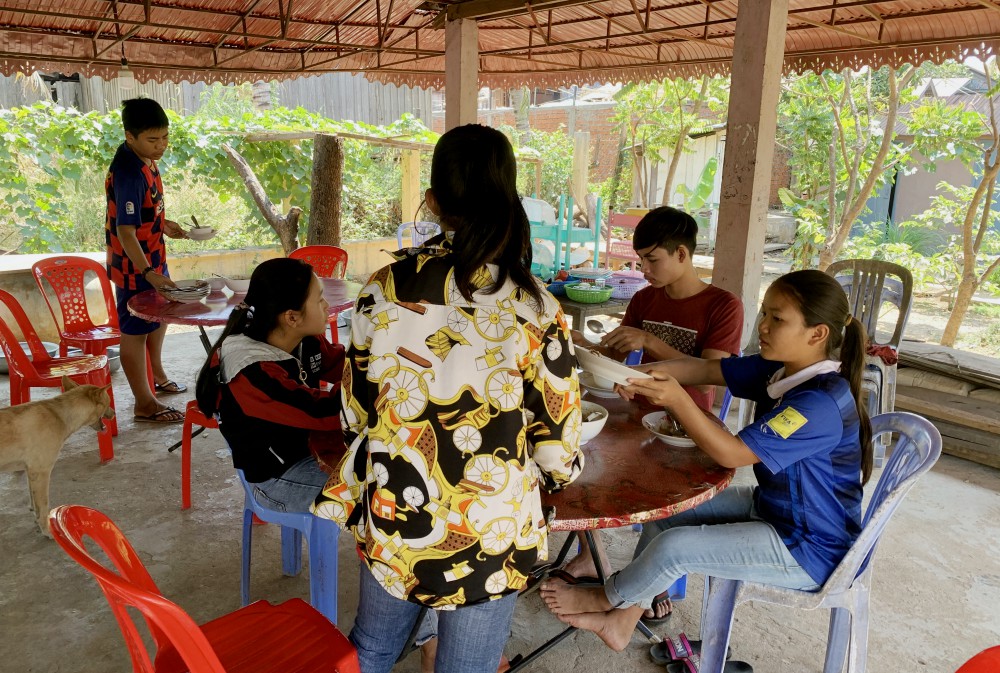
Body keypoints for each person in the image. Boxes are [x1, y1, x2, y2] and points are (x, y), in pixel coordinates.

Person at [313, 124, 585, 673]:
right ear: (509, 198)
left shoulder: (383, 288)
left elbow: (355, 413)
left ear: (434, 201)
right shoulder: (534, 308)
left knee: (372, 649)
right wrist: (555, 477)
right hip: (490, 529)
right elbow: (556, 448)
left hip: (395, 510)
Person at [541, 269, 873, 655]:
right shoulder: (778, 368)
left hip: (810, 545)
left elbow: (732, 453)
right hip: (776, 510)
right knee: (663, 512)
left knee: (676, 547)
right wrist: (632, 374)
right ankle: (624, 618)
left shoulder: (818, 403)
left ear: (817, 334)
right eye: (764, 313)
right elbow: (703, 369)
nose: (762, 326)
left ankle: (607, 599)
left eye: (777, 319)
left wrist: (677, 400)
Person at [567, 206, 743, 616]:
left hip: (684, 425)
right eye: (640, 259)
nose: (643, 268)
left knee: (666, 493)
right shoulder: (645, 298)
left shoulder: (722, 305)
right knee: (578, 456)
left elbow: (709, 378)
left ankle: (648, 582)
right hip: (632, 411)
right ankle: (591, 555)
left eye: (652, 259)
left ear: (681, 254)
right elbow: (616, 355)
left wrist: (652, 340)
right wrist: (584, 345)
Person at [195, 257, 345, 512]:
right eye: (319, 299)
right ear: (292, 317)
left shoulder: (305, 340)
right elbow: (324, 412)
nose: (327, 305)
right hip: (278, 480)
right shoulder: (251, 373)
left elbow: (343, 365)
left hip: (308, 449)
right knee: (380, 487)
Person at [105, 97, 188, 424]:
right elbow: (125, 230)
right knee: (134, 330)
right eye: (153, 140)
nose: (161, 146)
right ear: (130, 136)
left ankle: (157, 374)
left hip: (152, 257)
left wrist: (164, 225)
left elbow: (142, 213)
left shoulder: (144, 160)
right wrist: (148, 272)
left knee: (161, 315)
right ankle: (144, 403)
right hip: (135, 267)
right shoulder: (128, 172)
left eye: (165, 137)